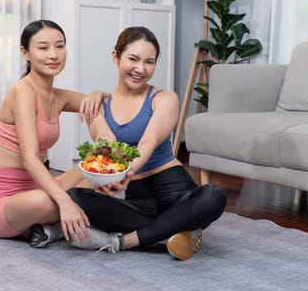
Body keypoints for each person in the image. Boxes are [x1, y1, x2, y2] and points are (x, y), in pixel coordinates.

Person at [67, 26, 227, 260]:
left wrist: (125, 173)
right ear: (115, 56)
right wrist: (111, 178)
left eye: (149, 62)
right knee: (76, 196)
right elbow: (108, 146)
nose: (140, 69)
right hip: (139, 202)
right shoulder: (98, 107)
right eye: (133, 59)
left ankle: (125, 241)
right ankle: (177, 228)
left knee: (213, 197)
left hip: (174, 191)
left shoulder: (164, 99)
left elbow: (148, 142)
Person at [0, 19, 103, 247]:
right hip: (0, 201)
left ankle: (49, 229)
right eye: (43, 48)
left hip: (37, 186)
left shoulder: (58, 96)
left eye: (60, 46)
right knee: (45, 201)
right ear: (25, 52)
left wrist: (97, 93)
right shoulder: (22, 92)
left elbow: (111, 103)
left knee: (96, 173)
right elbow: (30, 158)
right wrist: (63, 200)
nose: (53, 54)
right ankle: (62, 218)